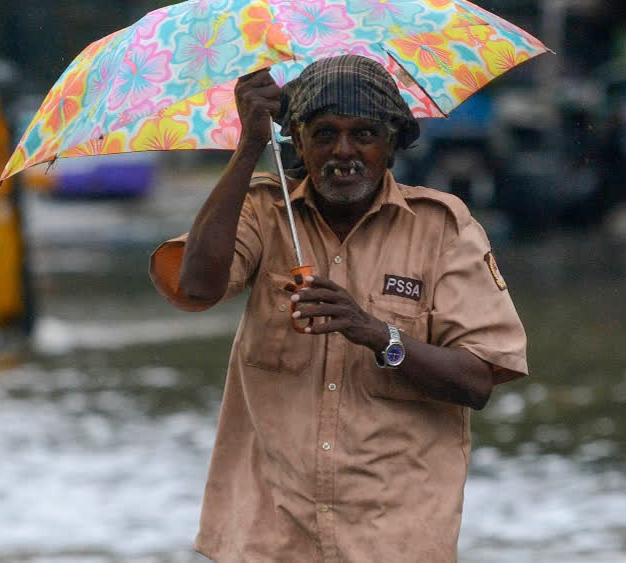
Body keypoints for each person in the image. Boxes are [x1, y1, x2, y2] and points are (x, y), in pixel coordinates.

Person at [149, 55, 529, 562]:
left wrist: (375, 333)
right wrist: (249, 147)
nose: (344, 152)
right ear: (299, 144)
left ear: (391, 144)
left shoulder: (443, 227)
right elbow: (196, 288)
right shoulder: (264, 212)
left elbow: (477, 380)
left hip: (394, 545)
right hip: (269, 542)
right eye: (324, 134)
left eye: (364, 133)